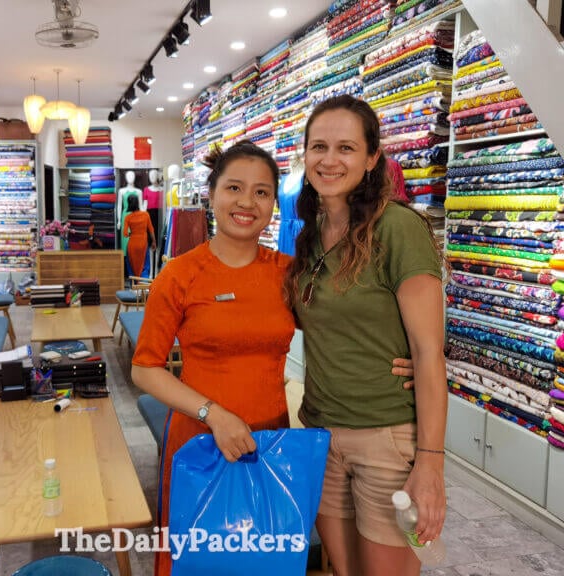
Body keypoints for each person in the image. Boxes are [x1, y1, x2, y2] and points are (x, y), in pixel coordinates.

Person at [131, 140, 415, 576]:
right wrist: (214, 414)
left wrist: (404, 355)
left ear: (274, 203)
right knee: (198, 559)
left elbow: (339, 326)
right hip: (199, 440)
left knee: (265, 556)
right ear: (212, 195)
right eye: (234, 189)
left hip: (271, 442)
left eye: (262, 192)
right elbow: (145, 368)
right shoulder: (180, 274)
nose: (247, 202)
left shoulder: (289, 272)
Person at [285, 95, 447, 576]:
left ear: (372, 158)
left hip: (387, 440)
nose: (329, 160)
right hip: (320, 432)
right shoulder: (310, 233)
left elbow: (428, 352)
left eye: (346, 148)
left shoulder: (398, 227)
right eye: (318, 146)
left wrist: (430, 464)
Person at [122, 194, 155, 279]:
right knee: (144, 266)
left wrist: (132, 234)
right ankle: (143, 288)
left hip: (132, 245)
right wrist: (154, 242)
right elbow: (151, 229)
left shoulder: (127, 218)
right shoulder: (146, 215)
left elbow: (125, 234)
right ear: (138, 203)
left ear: (129, 204)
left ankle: (133, 289)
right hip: (143, 244)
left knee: (131, 269)